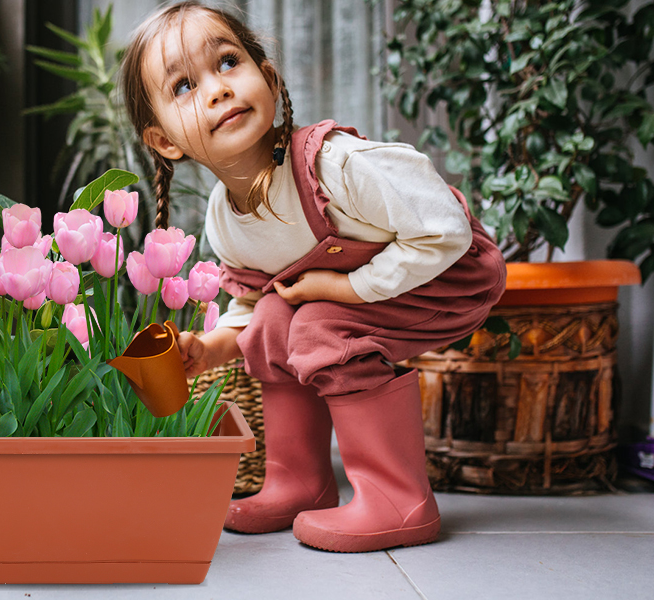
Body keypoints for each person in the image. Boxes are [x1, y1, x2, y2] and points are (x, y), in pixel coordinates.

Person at [120, 1, 506, 553]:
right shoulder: (224, 218)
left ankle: (400, 499)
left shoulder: (336, 167)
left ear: (269, 81)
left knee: (318, 324)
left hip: (451, 276)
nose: (218, 88)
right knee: (277, 320)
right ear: (164, 142)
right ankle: (299, 482)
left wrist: (343, 289)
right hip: (377, 290)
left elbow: (445, 232)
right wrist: (207, 348)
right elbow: (254, 307)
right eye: (184, 86)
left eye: (229, 62)